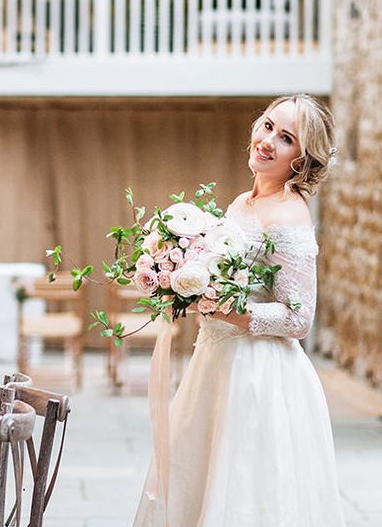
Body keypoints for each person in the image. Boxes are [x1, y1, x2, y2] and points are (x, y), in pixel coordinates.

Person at [132, 94, 345, 527]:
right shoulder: (241, 203)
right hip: (214, 362)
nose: (267, 140)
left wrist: (225, 309)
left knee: (245, 488)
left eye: (285, 138)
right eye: (267, 126)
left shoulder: (289, 217)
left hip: (258, 375)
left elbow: (298, 319)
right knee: (200, 477)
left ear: (301, 161)